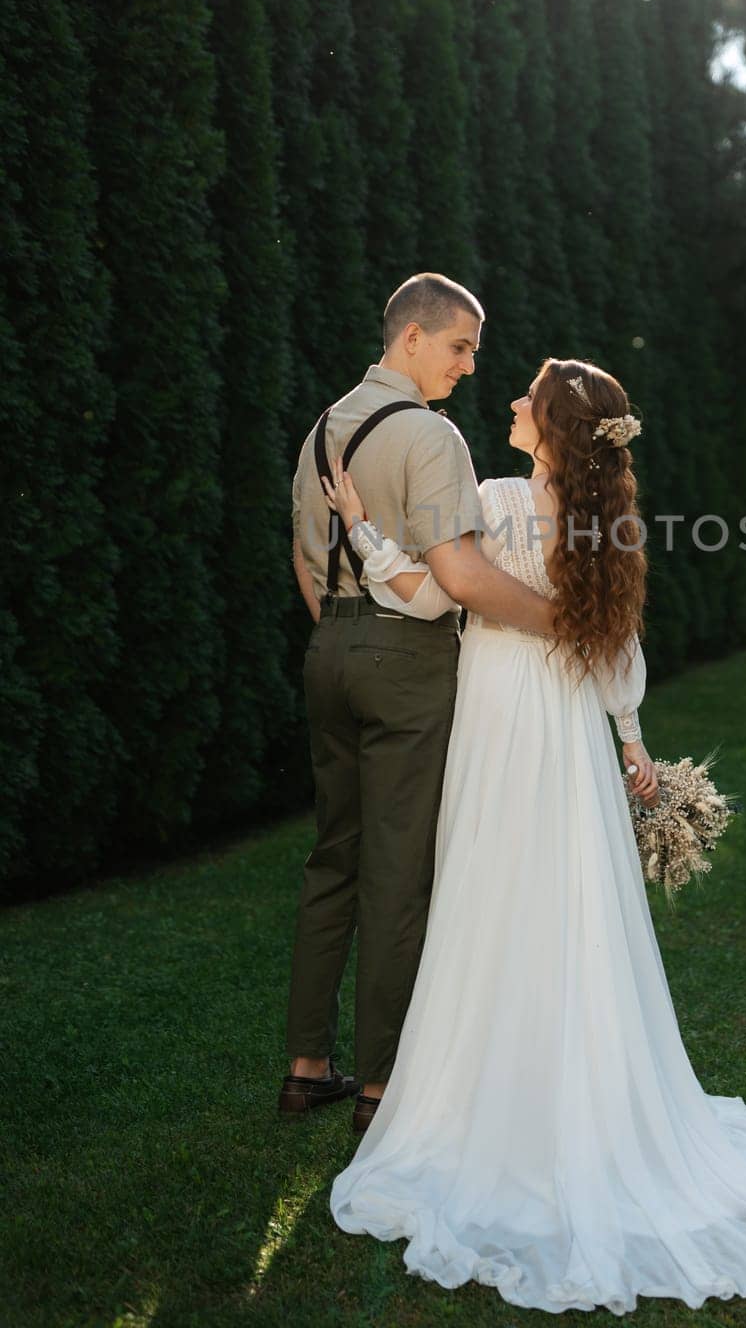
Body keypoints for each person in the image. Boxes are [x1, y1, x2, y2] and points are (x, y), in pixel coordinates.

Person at [324, 357, 746, 1313]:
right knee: (570, 896)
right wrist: (631, 741)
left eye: (523, 397)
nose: (505, 401)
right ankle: (579, 1089)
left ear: (546, 423)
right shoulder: (606, 521)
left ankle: (487, 1102)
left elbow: (430, 595)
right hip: (572, 725)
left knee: (491, 891)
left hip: (497, 718)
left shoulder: (491, 497)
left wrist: (364, 534)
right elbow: (617, 648)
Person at [278, 273, 555, 1122]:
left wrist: (349, 634)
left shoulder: (322, 428)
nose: (471, 366)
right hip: (405, 661)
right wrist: (569, 623)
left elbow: (303, 560)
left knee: (335, 858)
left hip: (329, 649)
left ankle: (305, 1066)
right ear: (412, 339)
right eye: (460, 346)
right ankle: (380, 1087)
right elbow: (463, 576)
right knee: (399, 873)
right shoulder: (432, 439)